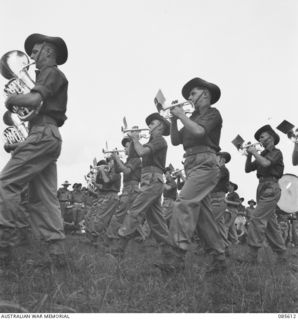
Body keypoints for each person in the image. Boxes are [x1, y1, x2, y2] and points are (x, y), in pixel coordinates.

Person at [0, 34, 69, 272]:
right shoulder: (48, 75)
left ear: (49, 52)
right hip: (46, 134)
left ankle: (6, 244)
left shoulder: (51, 72)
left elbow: (32, 99)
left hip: (43, 133)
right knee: (44, 198)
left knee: (5, 183)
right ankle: (56, 255)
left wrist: (11, 100)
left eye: (36, 51)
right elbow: (35, 110)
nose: (32, 57)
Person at [156, 77, 227, 274]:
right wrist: (173, 120)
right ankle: (219, 258)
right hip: (191, 163)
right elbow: (177, 140)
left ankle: (175, 257)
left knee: (184, 202)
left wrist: (182, 116)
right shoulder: (192, 116)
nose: (189, 98)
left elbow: (198, 132)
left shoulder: (213, 113)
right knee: (203, 216)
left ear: (205, 93)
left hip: (205, 161)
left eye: (193, 94)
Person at [110, 113, 171, 258]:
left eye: (152, 123)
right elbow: (135, 153)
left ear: (160, 126)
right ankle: (170, 253)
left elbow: (141, 152)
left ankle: (118, 250)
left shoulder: (160, 140)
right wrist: (132, 140)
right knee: (157, 221)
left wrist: (135, 138)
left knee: (135, 211)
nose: (149, 126)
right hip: (150, 179)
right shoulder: (153, 140)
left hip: (152, 179)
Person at [238, 124, 287, 264]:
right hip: (261, 187)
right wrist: (248, 155)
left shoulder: (276, 152)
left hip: (271, 186)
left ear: (271, 137)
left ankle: (252, 256)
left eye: (262, 136)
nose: (259, 139)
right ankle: (282, 254)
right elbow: (248, 169)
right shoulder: (262, 154)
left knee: (256, 218)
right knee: (271, 225)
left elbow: (266, 164)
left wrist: (254, 153)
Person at [105, 135, 142, 242]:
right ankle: (141, 238)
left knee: (119, 214)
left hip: (131, 189)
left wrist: (117, 158)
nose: (125, 149)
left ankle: (110, 237)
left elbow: (126, 171)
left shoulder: (135, 159)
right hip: (128, 189)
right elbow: (117, 170)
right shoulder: (129, 160)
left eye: (126, 147)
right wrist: (116, 160)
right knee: (131, 215)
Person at [84, 157, 121, 245]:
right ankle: (96, 238)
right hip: (106, 195)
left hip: (111, 196)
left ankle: (95, 239)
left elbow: (106, 181)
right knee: (97, 217)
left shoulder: (115, 172)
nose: (108, 164)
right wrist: (96, 177)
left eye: (110, 162)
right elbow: (102, 186)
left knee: (100, 218)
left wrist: (102, 171)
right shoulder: (109, 172)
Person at [209, 151, 231, 255]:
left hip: (217, 199)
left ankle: (211, 248)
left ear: (221, 158)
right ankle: (225, 248)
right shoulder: (220, 169)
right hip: (216, 198)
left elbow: (213, 179)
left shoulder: (222, 169)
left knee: (210, 222)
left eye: (216, 156)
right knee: (220, 226)